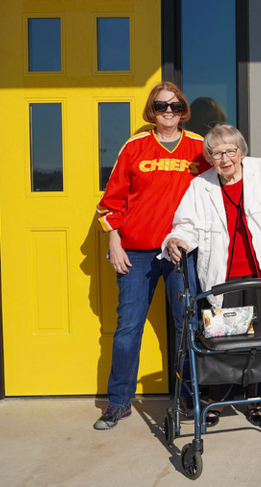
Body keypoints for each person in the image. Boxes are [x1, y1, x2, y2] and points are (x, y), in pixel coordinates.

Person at [162, 123, 261, 426]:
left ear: (241, 151)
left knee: (258, 339)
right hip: (223, 279)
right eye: (216, 153)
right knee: (223, 342)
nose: (225, 159)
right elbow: (187, 224)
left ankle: (256, 401)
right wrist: (177, 240)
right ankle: (216, 399)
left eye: (230, 151)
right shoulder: (201, 185)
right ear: (209, 158)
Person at [94, 82, 207, 430]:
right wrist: (114, 241)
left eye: (175, 107)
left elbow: (214, 199)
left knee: (186, 325)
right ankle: (118, 402)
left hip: (181, 254)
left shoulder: (200, 148)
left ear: (184, 109)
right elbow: (110, 202)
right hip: (136, 253)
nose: (168, 113)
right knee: (128, 327)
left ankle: (190, 397)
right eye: (161, 107)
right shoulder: (135, 146)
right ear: (152, 110)